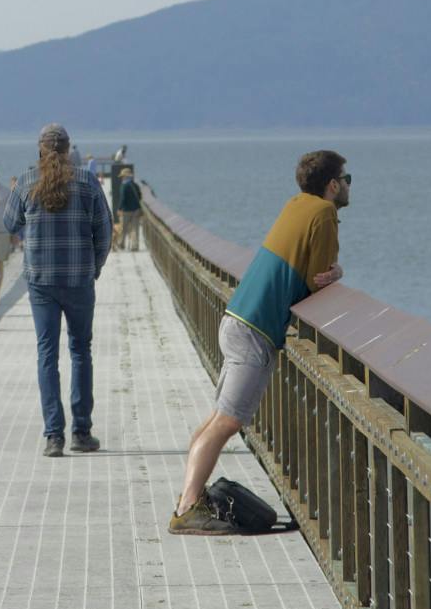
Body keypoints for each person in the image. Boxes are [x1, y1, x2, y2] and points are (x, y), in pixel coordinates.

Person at [169, 150, 348, 535]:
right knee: (228, 422)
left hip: (237, 317)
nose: (348, 186)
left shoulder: (297, 204)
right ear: (333, 184)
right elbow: (318, 279)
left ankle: (190, 499)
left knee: (216, 419)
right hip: (257, 329)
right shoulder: (323, 212)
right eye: (347, 178)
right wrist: (337, 275)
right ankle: (187, 509)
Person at [2, 123, 112, 457]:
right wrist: (94, 267)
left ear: (40, 150)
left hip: (41, 282)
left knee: (46, 354)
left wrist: (32, 221)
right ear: (67, 150)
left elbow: (9, 224)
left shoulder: (26, 181)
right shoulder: (87, 181)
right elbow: (104, 232)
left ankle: (54, 436)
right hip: (79, 279)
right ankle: (81, 432)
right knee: (80, 350)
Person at [114, 167, 143, 250]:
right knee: (135, 229)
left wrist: (119, 208)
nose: (122, 178)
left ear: (125, 176)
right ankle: (135, 246)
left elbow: (122, 199)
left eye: (122, 176)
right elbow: (140, 196)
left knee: (123, 228)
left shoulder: (124, 186)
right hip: (136, 210)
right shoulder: (135, 185)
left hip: (126, 211)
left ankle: (122, 244)